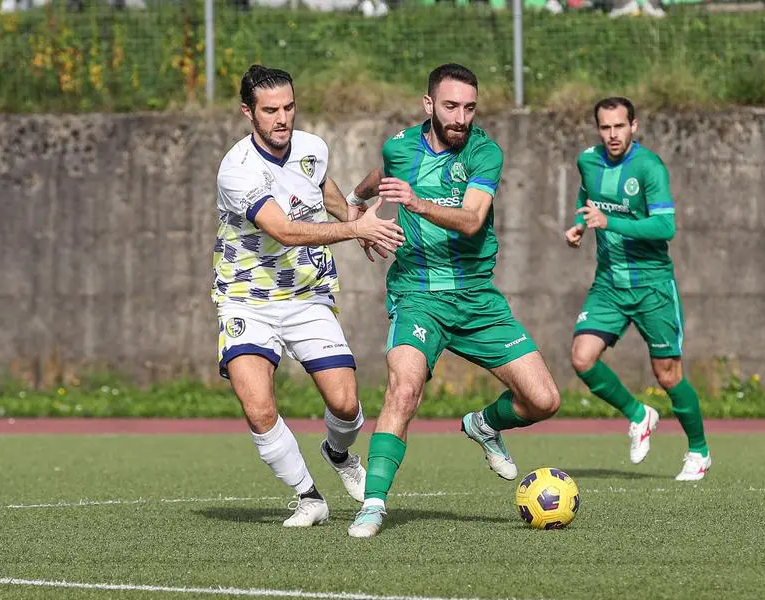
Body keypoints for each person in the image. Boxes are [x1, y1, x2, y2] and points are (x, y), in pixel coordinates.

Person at [342, 63, 562, 538]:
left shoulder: (485, 153)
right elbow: (382, 173)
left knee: (544, 400)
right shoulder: (400, 147)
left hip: (477, 298)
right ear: (429, 105)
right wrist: (356, 205)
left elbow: (471, 220)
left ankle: (483, 425)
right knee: (404, 389)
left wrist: (416, 201)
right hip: (417, 294)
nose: (461, 117)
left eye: (469, 107)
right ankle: (374, 505)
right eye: (450, 106)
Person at [212, 64, 405, 527]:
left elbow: (322, 189)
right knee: (258, 406)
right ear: (248, 112)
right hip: (246, 298)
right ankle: (309, 497)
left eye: (289, 107)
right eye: (270, 110)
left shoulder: (312, 148)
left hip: (306, 295)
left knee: (345, 405)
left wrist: (355, 217)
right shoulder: (236, 170)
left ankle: (339, 454)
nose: (283, 118)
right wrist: (352, 229)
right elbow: (282, 229)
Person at [565, 96, 711, 481]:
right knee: (582, 357)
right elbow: (588, 198)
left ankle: (699, 451)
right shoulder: (588, 161)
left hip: (652, 286)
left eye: (619, 126)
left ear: (634, 126)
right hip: (609, 284)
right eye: (605, 127)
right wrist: (580, 224)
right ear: (598, 129)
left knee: (667, 375)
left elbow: (665, 228)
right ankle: (638, 415)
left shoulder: (649, 168)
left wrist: (607, 223)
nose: (612, 134)